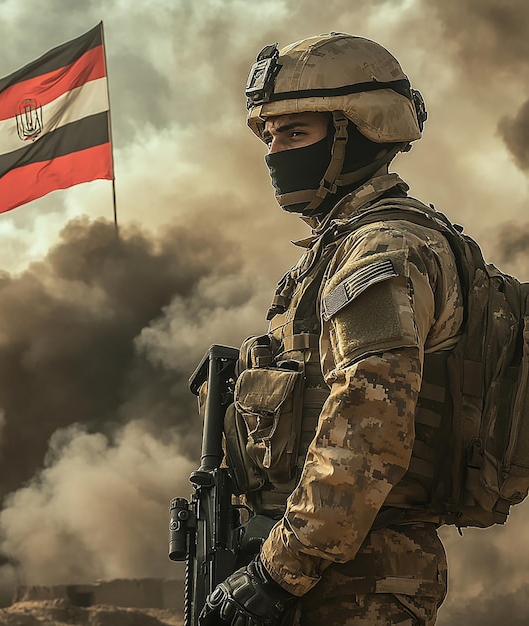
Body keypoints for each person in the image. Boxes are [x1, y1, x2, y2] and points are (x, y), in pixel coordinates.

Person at [199, 33, 465, 626]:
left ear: (361, 130)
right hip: (334, 572)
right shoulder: (338, 249)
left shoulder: (382, 251)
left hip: (358, 583)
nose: (275, 151)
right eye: (269, 135)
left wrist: (277, 572)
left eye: (295, 133)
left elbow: (368, 429)